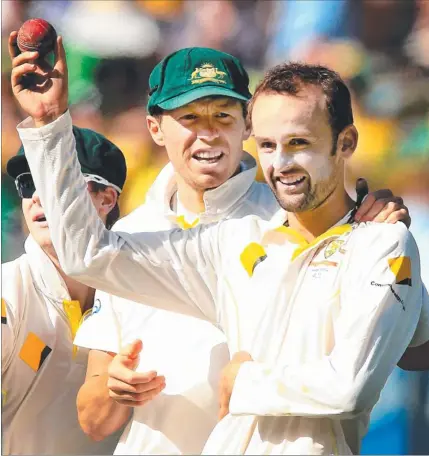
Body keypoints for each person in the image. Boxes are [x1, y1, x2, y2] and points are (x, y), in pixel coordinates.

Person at [9, 33, 429, 454]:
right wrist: (49, 125)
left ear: (246, 123)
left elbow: (392, 363)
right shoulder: (216, 242)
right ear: (154, 127)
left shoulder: (331, 226)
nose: (208, 134)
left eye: (223, 117)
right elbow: (86, 255)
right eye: (190, 118)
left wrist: (380, 242)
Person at [1, 127, 127, 455]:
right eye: (27, 184)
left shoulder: (139, 293)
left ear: (107, 198)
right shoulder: (8, 290)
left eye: (52, 179)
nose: (36, 197)